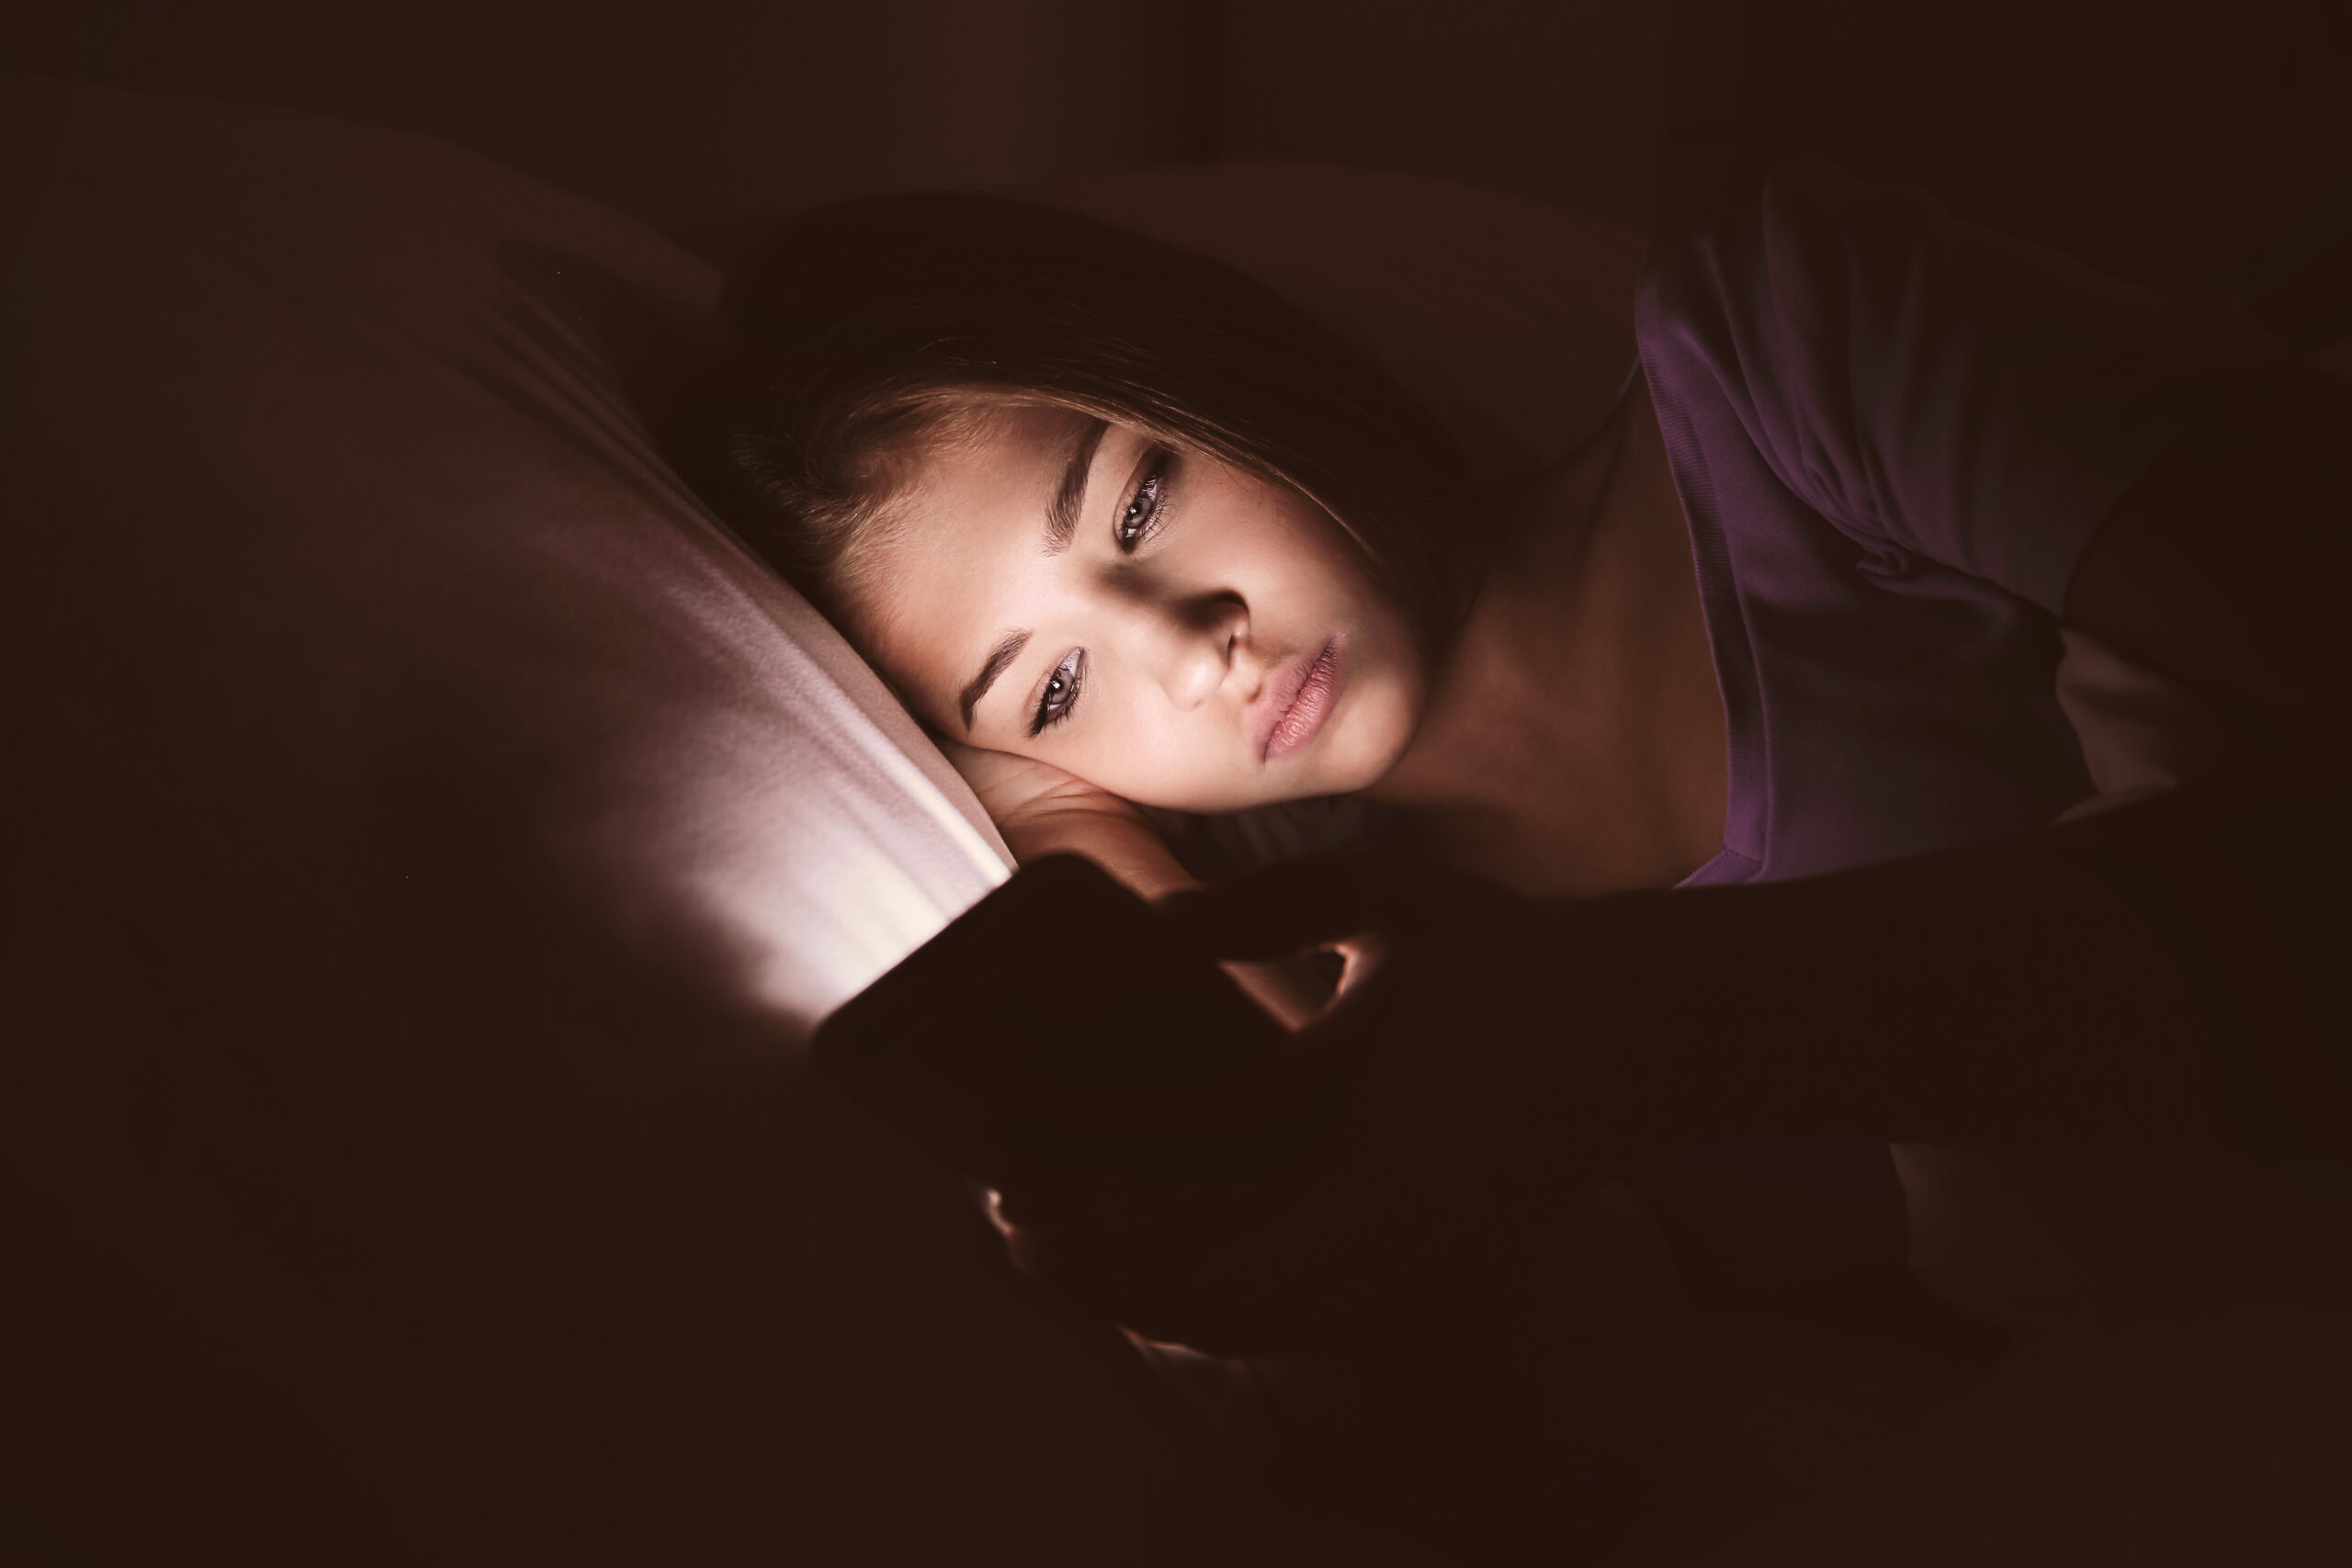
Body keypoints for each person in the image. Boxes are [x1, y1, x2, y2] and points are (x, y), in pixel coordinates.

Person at [674, 163, 2351, 1553]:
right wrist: (1062, 822)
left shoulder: (1784, 368)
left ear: (1210, 378)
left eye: (1137, 507)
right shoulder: (1380, 985)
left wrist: (1650, 1037)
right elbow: (1549, 1415)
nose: (1198, 647)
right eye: (1052, 682)